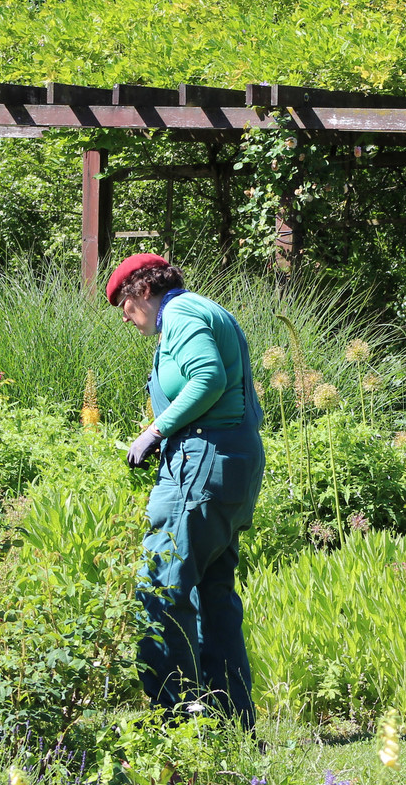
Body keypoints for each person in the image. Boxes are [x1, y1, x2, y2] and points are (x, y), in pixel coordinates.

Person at [106, 253, 266, 728]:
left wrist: (156, 431)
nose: (125, 316)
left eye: (124, 305)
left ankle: (173, 724)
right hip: (229, 461)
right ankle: (229, 724)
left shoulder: (180, 313)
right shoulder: (205, 309)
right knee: (212, 594)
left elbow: (208, 377)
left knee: (162, 586)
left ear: (141, 291)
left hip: (204, 462)